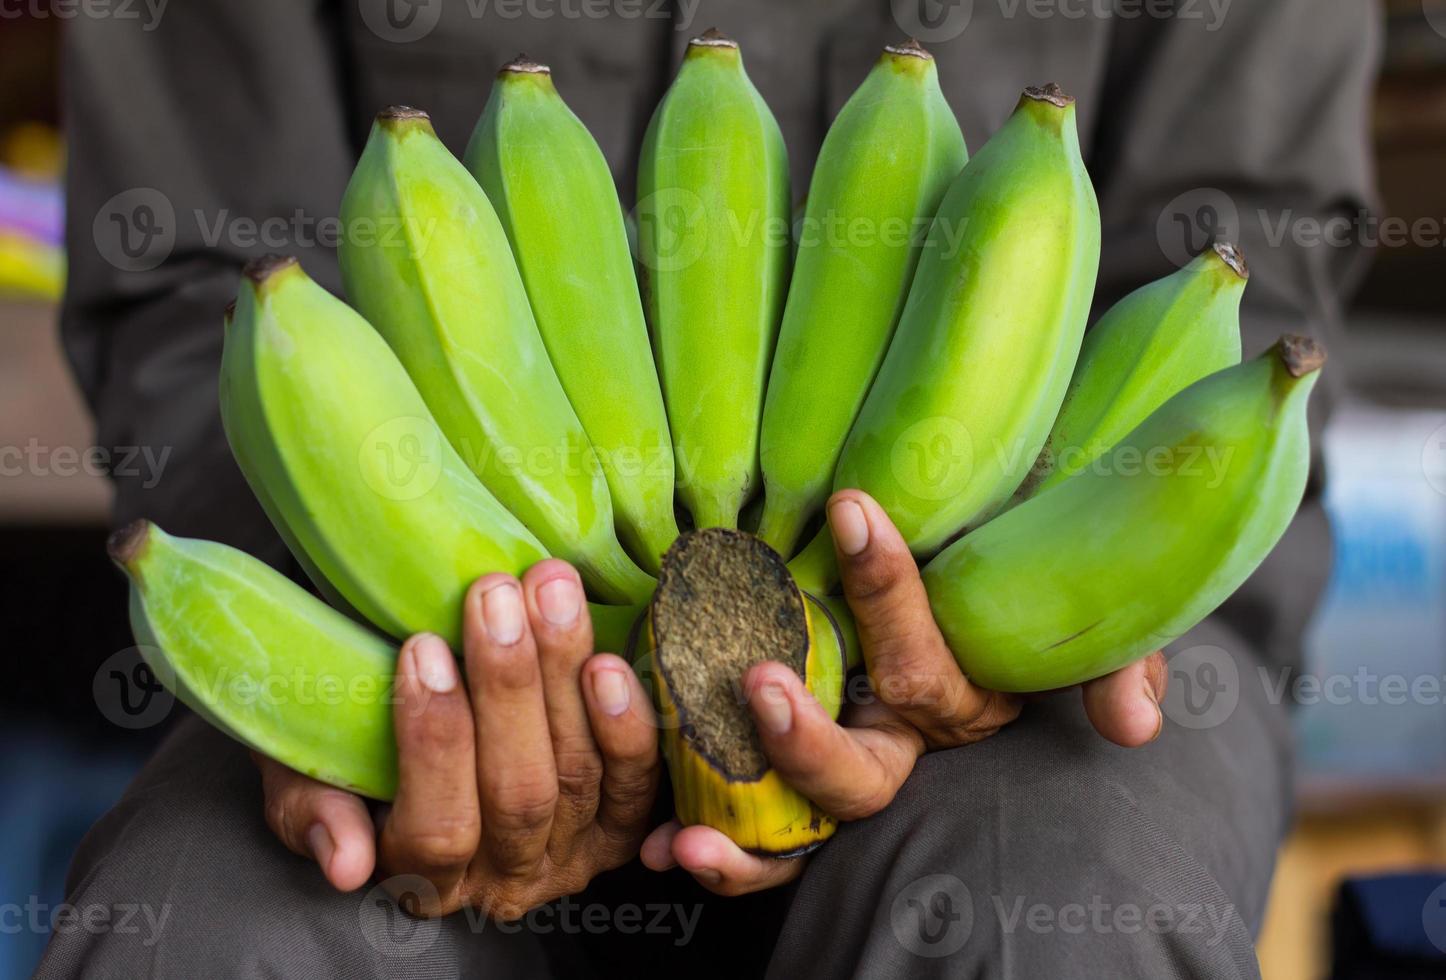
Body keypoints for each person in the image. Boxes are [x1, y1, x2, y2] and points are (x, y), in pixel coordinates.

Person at [41, 1, 1378, 976]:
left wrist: (1040, 610)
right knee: (201, 932)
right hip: (465, 639)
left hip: (1016, 639)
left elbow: (1224, 278)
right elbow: (207, 279)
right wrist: (341, 607)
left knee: (1065, 917)